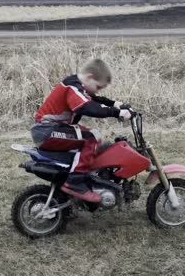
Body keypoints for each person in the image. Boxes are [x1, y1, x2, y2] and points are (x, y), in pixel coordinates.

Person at [31, 58, 132, 203]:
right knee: (91, 137)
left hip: (52, 129)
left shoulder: (75, 85)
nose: (98, 90)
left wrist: (115, 104)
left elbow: (93, 99)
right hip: (47, 131)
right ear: (90, 77)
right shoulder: (73, 88)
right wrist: (117, 113)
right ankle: (75, 181)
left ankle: (91, 175)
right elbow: (87, 107)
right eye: (98, 86)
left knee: (94, 136)